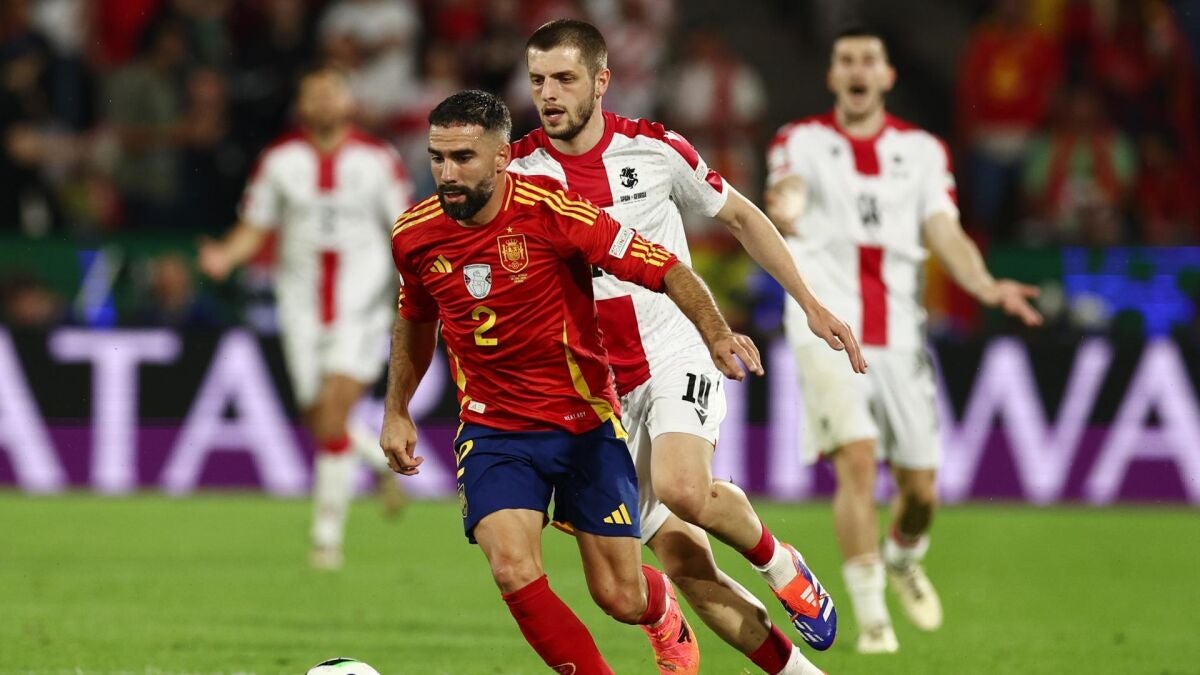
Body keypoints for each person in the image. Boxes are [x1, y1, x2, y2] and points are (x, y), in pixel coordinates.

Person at [508, 19, 865, 675]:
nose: (549, 94)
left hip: (674, 349)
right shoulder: (517, 174)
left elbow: (741, 216)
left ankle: (780, 563)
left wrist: (810, 303)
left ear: (601, 81)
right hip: (597, 393)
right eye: (538, 81)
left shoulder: (653, 149)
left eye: (564, 78)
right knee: (683, 565)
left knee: (684, 486)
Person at [382, 89, 762, 675]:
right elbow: (415, 318)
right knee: (511, 568)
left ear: (502, 157)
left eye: (463, 158)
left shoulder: (553, 211)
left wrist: (714, 333)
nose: (447, 174)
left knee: (620, 597)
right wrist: (397, 409)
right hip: (493, 428)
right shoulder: (415, 233)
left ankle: (660, 607)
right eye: (437, 158)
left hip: (584, 424)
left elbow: (666, 267)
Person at [765, 27, 1044, 653]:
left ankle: (903, 556)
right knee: (857, 460)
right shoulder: (799, 140)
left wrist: (985, 284)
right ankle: (872, 621)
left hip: (899, 334)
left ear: (887, 77)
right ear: (832, 76)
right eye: (846, 61)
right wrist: (785, 208)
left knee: (920, 491)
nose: (857, 70)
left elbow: (944, 230)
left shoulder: (921, 152)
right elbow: (788, 190)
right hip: (826, 327)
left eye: (869, 60)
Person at [198, 67, 411, 571]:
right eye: (314, 94)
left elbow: (404, 229)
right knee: (320, 419)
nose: (324, 101)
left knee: (333, 413)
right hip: (300, 306)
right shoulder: (280, 161)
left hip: (360, 304)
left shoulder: (378, 160)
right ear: (301, 105)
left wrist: (416, 290)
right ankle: (377, 458)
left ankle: (325, 540)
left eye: (332, 92)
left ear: (349, 102)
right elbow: (255, 226)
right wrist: (226, 256)